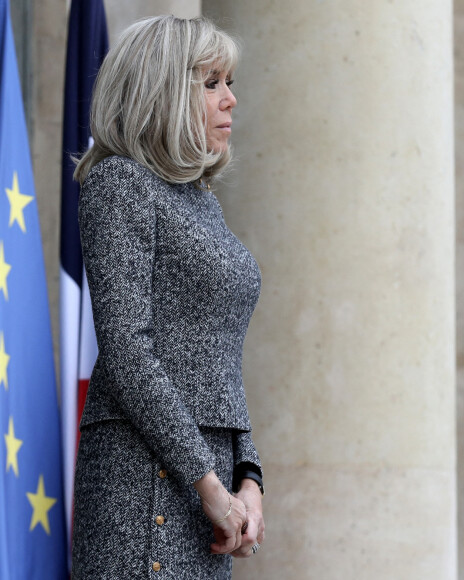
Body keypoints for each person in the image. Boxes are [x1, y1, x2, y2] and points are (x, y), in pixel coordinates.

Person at [71, 15, 265, 579]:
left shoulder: (202, 203)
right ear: (161, 92)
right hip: (143, 481)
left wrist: (249, 477)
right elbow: (127, 349)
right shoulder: (119, 183)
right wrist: (207, 480)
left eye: (229, 82)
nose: (230, 100)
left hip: (207, 485)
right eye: (211, 84)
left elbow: (221, 360)